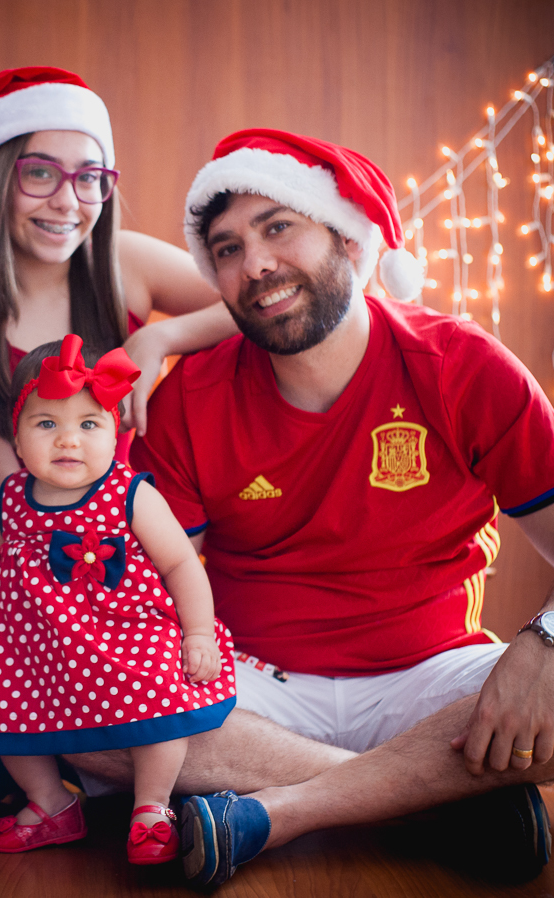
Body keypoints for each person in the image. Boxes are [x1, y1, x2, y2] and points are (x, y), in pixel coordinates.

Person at [115, 129, 554, 889]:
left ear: (349, 241)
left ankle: (282, 811)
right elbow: (151, 602)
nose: (254, 264)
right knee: (90, 704)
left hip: (430, 681)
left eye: (278, 227)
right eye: (226, 249)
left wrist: (544, 645)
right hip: (251, 686)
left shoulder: (463, 367)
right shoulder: (189, 400)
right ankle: (428, 801)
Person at [0, 66, 239, 727]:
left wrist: (164, 340)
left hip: (119, 547)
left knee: (164, 716)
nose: (69, 200)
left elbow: (258, 300)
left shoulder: (123, 265)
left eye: (90, 177)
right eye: (40, 173)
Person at [0, 335, 236, 864]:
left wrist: (198, 634)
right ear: (18, 438)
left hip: (128, 634)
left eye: (87, 424)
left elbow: (181, 562)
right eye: (47, 424)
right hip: (40, 645)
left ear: (115, 430)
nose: (67, 440)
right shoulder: (11, 496)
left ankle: (151, 808)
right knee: (1, 713)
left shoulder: (129, 493)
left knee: (162, 690)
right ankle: (50, 803)